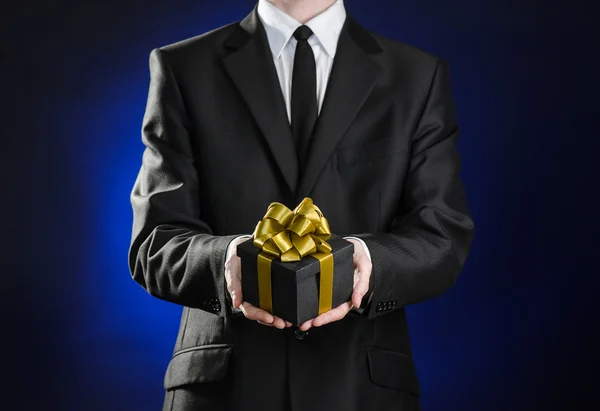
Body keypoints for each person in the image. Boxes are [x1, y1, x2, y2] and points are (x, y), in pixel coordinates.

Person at [127, 0, 475, 410]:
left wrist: (367, 263)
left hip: (361, 391)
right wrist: (228, 263)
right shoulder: (182, 67)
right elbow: (155, 242)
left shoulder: (417, 76)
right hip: (223, 391)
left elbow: (442, 236)